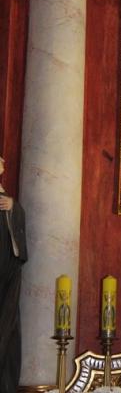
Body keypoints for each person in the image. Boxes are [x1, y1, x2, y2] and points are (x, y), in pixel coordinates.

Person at [0, 155, 27, 393]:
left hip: (7, 271)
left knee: (8, 325)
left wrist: (13, 208)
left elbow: (17, 243)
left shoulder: (7, 200)